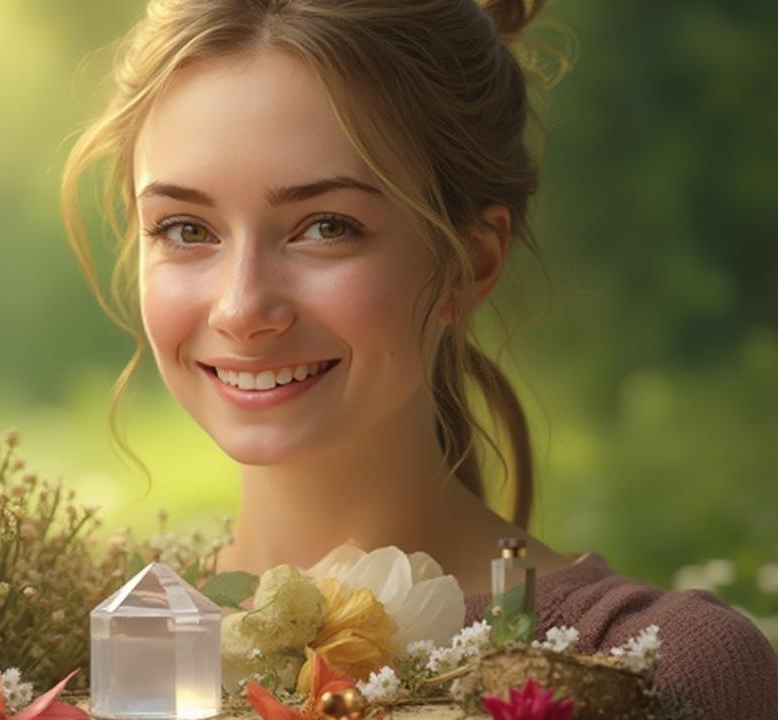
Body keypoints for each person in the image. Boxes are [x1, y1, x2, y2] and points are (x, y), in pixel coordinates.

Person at [59, 0, 778, 715]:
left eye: (326, 226)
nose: (242, 308)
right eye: (186, 228)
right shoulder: (60, 645)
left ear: (470, 262)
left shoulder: (661, 669)